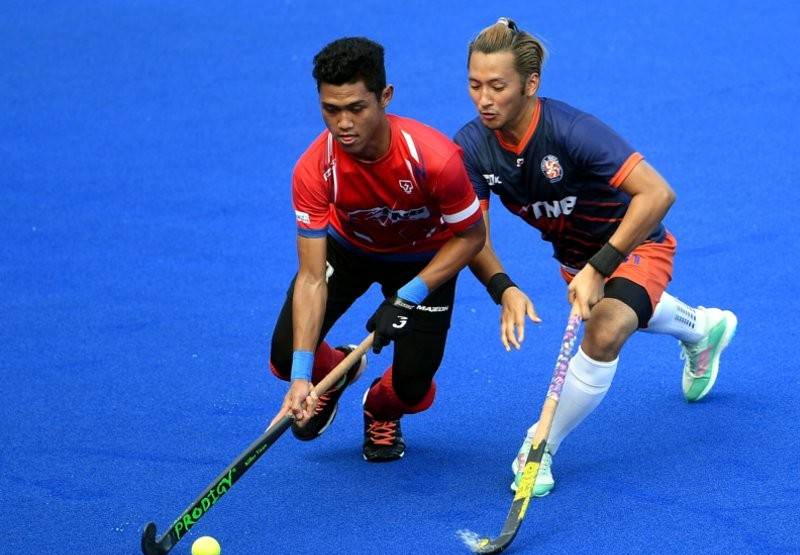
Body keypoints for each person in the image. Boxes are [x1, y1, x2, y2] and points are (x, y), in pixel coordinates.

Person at [455, 18, 737, 495]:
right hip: (574, 257)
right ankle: (702, 328)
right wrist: (503, 287)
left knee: (605, 330)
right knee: (626, 311)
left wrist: (601, 267)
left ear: (531, 83)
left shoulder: (571, 131)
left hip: (635, 242)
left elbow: (657, 194)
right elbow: (472, 237)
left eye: (498, 86)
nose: (485, 98)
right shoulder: (471, 148)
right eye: (475, 85)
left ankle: (538, 446)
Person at [268, 37, 485, 462]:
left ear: (385, 97)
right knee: (285, 352)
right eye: (331, 110)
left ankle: (380, 409)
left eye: (356, 108)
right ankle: (336, 373)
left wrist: (409, 296)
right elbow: (313, 278)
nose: (343, 124)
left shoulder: (435, 158)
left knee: (412, 386)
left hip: (427, 259)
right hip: (351, 250)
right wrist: (301, 378)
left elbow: (471, 237)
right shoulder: (314, 169)